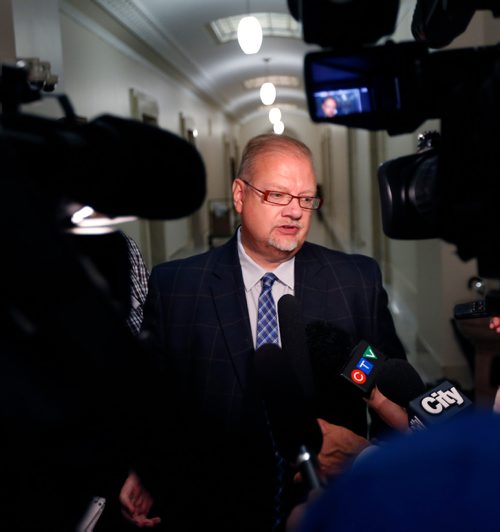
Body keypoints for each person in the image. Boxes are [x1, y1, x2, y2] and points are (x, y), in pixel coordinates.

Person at [121, 133, 406, 530]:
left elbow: (394, 393)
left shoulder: (356, 281)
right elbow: (152, 399)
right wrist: (144, 466)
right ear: (240, 195)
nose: (295, 212)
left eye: (306, 199)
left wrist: (372, 466)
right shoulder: (176, 287)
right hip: (213, 509)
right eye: (278, 195)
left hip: (333, 508)